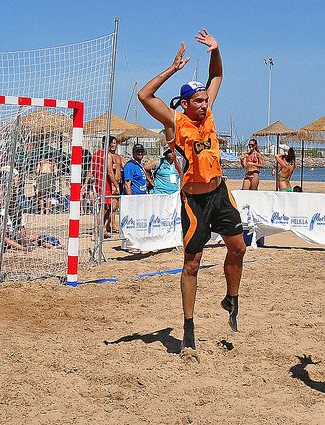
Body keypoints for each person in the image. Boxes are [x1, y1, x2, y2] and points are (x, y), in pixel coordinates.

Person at [138, 29, 246, 355]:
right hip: (194, 200)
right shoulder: (175, 122)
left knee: (238, 248)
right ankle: (188, 327)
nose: (204, 103)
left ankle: (231, 297)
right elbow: (144, 96)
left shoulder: (208, 113)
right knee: (192, 263)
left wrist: (216, 48)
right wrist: (172, 69)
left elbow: (217, 74)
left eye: (205, 99)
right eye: (198, 100)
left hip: (220, 192)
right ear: (185, 103)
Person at [92, 136, 119, 237]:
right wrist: (117, 185)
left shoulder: (96, 154)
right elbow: (110, 173)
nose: (114, 145)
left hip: (98, 183)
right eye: (112, 143)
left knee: (108, 207)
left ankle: (103, 229)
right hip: (105, 184)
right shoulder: (107, 156)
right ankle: (96, 230)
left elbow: (92, 170)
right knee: (104, 209)